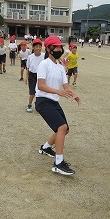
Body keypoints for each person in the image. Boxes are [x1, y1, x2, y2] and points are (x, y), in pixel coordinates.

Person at [35, 36, 81, 175]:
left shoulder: (60, 67)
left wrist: (74, 94)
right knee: (61, 127)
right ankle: (58, 163)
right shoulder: (44, 64)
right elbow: (40, 85)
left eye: (60, 47)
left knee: (65, 129)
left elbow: (66, 86)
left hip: (53, 101)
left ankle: (46, 147)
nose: (59, 49)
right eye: (56, 47)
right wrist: (58, 92)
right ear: (49, 49)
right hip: (43, 101)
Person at [25, 38, 44, 113]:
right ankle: (29, 105)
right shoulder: (30, 57)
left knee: (41, 92)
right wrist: (26, 77)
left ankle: (39, 106)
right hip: (32, 76)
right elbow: (28, 68)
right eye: (36, 46)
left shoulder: (44, 56)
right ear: (33, 47)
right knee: (32, 92)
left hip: (41, 76)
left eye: (39, 46)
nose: (38, 48)